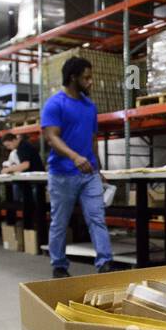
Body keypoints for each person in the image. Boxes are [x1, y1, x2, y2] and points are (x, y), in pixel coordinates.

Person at [40, 57, 113, 277]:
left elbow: (93, 141)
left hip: (89, 174)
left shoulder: (90, 106)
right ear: (73, 78)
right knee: (60, 222)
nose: (91, 82)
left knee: (97, 218)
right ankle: (59, 265)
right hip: (62, 174)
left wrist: (98, 170)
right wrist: (74, 157)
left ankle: (105, 263)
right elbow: (52, 138)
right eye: (86, 77)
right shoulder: (55, 104)